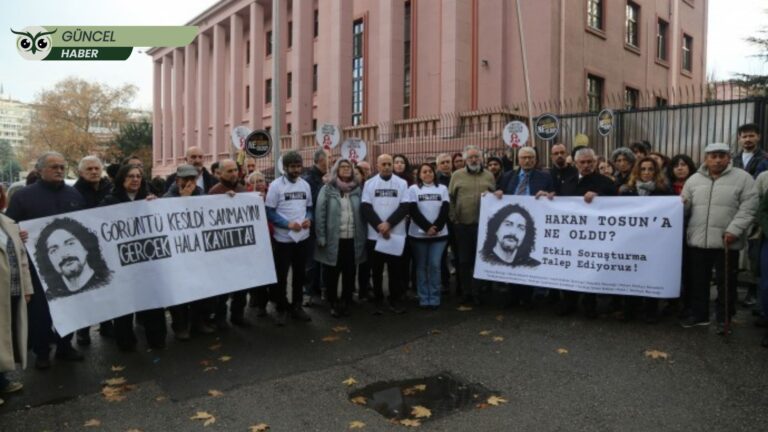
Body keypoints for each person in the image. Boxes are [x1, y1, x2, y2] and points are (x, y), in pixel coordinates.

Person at [6, 152, 86, 370]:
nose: (59, 170)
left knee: (68, 307)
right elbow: (8, 227)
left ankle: (65, 346)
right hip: (36, 267)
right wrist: (17, 233)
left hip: (67, 266)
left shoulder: (74, 194)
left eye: (62, 166)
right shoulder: (24, 197)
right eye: (54, 167)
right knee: (40, 312)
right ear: (40, 170)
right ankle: (41, 352)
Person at [681, 143, 757, 335]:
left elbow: (749, 207)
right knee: (698, 281)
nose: (717, 160)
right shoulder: (693, 180)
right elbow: (685, 206)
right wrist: (682, 205)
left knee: (726, 283)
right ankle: (700, 315)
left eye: (721, 156)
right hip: (698, 240)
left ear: (729, 158)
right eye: (713, 156)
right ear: (705, 158)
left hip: (727, 241)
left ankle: (725, 318)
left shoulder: (743, 178)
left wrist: (734, 230)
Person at [99, 164, 166, 351]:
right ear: (122, 179)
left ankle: (157, 339)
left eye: (138, 176)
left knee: (152, 301)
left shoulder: (149, 199)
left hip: (148, 261)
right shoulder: (109, 202)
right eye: (130, 176)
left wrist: (156, 205)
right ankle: (125, 341)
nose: (135, 179)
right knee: (124, 304)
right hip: (122, 263)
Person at [556, 147, 616, 318]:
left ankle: (590, 305)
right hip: (570, 235)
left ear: (595, 162)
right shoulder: (567, 181)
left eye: (590, 162)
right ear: (576, 163)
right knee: (569, 268)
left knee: (590, 269)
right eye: (582, 162)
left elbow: (616, 203)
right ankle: (569, 302)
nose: (586, 165)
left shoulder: (606, 182)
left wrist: (599, 196)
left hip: (594, 235)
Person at [496, 146, 554, 305]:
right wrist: (498, 193)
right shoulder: (507, 176)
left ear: (535, 160)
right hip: (513, 225)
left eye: (531, 157)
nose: (527, 160)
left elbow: (554, 196)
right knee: (512, 258)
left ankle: (527, 297)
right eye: (524, 157)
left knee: (528, 258)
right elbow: (499, 193)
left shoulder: (545, 177)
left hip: (535, 225)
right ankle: (513, 295)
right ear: (518, 159)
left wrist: (548, 195)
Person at [164, 164, 216, 340]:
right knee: (179, 290)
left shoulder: (200, 193)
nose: (189, 182)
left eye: (192, 178)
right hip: (177, 253)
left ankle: (198, 322)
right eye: (185, 179)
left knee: (199, 288)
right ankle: (180, 325)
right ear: (177, 180)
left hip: (197, 251)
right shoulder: (168, 196)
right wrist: (183, 200)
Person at [618, 157, 673, 323]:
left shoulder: (664, 191)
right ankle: (629, 310)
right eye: (643, 169)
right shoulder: (627, 191)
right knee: (631, 274)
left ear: (656, 172)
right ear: (637, 171)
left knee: (651, 273)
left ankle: (650, 311)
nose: (647, 172)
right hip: (631, 240)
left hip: (654, 241)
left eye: (650, 169)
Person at [266, 151, 314, 325]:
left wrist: (309, 219)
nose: (296, 170)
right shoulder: (276, 186)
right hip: (283, 239)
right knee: (281, 274)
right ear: (285, 167)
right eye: (293, 167)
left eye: (298, 166)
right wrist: (287, 224)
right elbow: (269, 211)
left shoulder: (305, 185)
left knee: (300, 274)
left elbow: (309, 208)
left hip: (302, 238)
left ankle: (297, 305)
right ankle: (281, 306)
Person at [315, 159, 366, 318]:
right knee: (332, 272)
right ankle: (333, 302)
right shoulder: (328, 189)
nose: (346, 169)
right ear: (336, 170)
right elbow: (320, 213)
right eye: (342, 167)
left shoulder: (357, 189)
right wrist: (321, 235)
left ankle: (346, 301)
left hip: (353, 238)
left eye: (348, 167)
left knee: (350, 272)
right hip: (334, 239)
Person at [361, 154, 410, 314]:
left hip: (395, 234)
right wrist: (379, 226)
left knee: (395, 270)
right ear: (377, 165)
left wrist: (389, 224)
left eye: (389, 164)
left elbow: (404, 206)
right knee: (376, 271)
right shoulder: (369, 183)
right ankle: (378, 300)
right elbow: (366, 207)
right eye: (384, 164)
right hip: (375, 235)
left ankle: (394, 299)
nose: (387, 167)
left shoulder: (402, 183)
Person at [72, 155, 113, 346]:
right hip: (83, 249)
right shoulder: (73, 193)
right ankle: (83, 329)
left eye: (97, 168)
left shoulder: (110, 188)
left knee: (107, 286)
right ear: (80, 172)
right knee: (86, 289)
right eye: (89, 169)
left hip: (107, 246)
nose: (94, 172)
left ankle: (107, 324)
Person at [448, 145, 496, 305]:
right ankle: (466, 292)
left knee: (479, 260)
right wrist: (454, 218)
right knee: (463, 261)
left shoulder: (489, 175)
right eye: (470, 157)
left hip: (483, 227)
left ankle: (477, 292)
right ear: (465, 160)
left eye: (476, 157)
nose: (474, 160)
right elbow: (450, 198)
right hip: (462, 225)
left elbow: (495, 198)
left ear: (481, 158)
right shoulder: (457, 175)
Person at [209, 159, 252, 328]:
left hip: (241, 247)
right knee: (223, 285)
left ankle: (237, 314)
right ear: (220, 173)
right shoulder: (214, 192)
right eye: (229, 171)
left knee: (242, 284)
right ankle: (220, 317)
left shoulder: (243, 190)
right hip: (222, 248)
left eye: (235, 170)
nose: (234, 173)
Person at [0, 190, 33, 405]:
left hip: (11, 290)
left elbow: (21, 258)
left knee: (5, 336)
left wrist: (27, 288)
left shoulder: (8, 223)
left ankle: (1, 379)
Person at [33, 218, 112, 300]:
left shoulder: (109, 280)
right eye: (54, 250)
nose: (64, 254)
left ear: (85, 246)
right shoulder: (50, 298)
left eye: (70, 244)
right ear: (48, 261)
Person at [408, 163, 450, 309]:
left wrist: (436, 227)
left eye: (430, 171)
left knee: (434, 265)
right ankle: (424, 297)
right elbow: (413, 210)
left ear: (434, 173)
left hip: (439, 235)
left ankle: (434, 296)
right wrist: (426, 227)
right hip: (418, 236)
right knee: (421, 266)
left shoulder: (442, 188)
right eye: (424, 172)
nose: (427, 174)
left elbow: (445, 209)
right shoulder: (413, 189)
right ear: (419, 175)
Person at [732, 123, 764, 308]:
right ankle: (732, 292)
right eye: (744, 136)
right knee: (735, 252)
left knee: (753, 255)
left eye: (751, 136)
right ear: (739, 139)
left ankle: (753, 293)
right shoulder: (733, 159)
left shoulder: (764, 159)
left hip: (755, 212)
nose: (748, 139)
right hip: (734, 210)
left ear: (758, 137)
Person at [302, 149, 328, 307]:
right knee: (311, 261)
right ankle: (308, 292)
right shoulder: (309, 179)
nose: (329, 161)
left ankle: (319, 287)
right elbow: (312, 201)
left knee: (322, 259)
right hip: (312, 225)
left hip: (324, 224)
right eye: (327, 159)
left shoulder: (326, 176)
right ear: (319, 160)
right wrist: (323, 185)